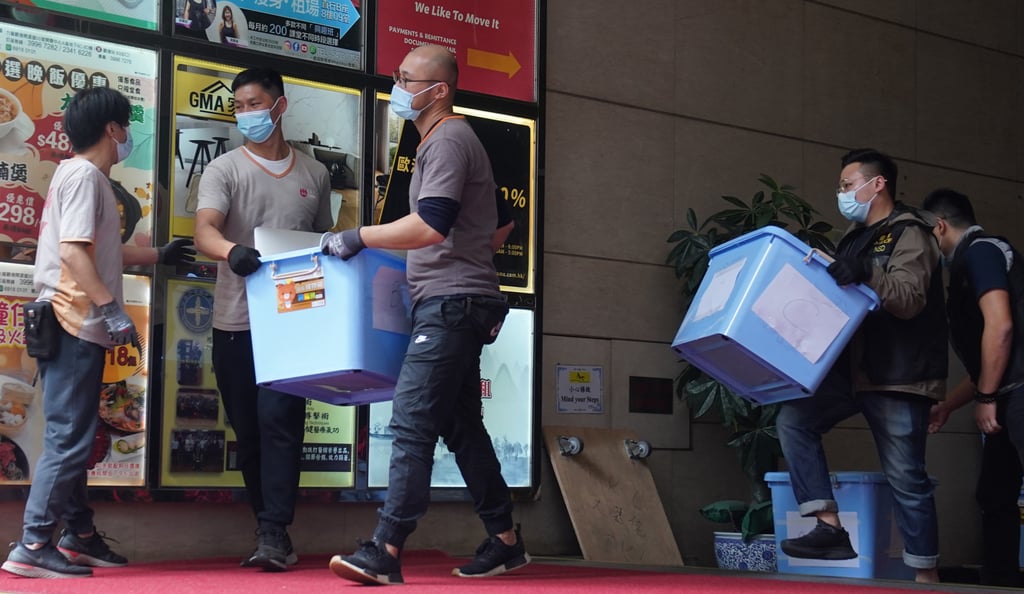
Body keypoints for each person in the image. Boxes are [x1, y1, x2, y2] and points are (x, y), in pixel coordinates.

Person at [322, 44, 522, 585]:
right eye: (398, 76)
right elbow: (499, 221)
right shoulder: (444, 140)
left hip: (451, 305)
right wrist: (467, 257)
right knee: (462, 427)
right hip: (459, 299)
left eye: (407, 79)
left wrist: (358, 237)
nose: (398, 86)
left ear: (439, 91)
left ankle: (386, 549)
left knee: (412, 421)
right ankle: (506, 540)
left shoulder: (449, 140)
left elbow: (431, 224)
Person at [0, 87, 194, 579]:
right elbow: (73, 253)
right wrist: (111, 309)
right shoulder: (86, 177)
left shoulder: (77, 175)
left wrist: (159, 255)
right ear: (112, 128)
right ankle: (33, 543)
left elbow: (101, 250)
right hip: (73, 320)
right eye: (126, 125)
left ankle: (79, 534)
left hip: (66, 321)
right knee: (69, 437)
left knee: (73, 433)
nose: (128, 135)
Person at [775, 148, 947, 583]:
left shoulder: (911, 233)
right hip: (850, 369)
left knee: (906, 477)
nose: (842, 193)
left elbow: (908, 299)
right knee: (794, 420)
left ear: (878, 184)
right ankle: (828, 527)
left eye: (848, 185)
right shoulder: (853, 237)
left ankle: (927, 577)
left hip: (899, 374)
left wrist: (865, 272)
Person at [193, 67, 333, 572]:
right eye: (239, 107)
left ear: (279, 106)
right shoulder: (225, 169)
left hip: (293, 323)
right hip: (235, 322)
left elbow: (323, 242)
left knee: (281, 423)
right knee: (249, 432)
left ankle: (275, 530)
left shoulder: (314, 174)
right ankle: (268, 528)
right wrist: (231, 252)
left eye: (255, 103)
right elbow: (204, 231)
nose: (246, 114)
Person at [923, 189, 1024, 587]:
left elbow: (1000, 327)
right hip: (1007, 393)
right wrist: (950, 404)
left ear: (939, 226)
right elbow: (988, 363)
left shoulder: (982, 252)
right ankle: (1000, 583)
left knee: (998, 494)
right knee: (995, 495)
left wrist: (985, 398)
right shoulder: (968, 263)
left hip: (1014, 393)